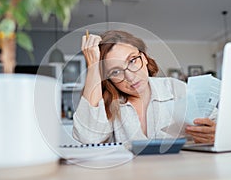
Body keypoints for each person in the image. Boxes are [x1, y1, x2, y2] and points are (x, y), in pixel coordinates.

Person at [73, 30, 216, 144]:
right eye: (115, 71)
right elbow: (88, 139)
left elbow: (222, 126)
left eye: (132, 61)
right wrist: (93, 67)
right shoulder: (106, 104)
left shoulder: (175, 88)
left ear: (145, 58)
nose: (130, 76)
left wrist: (215, 133)